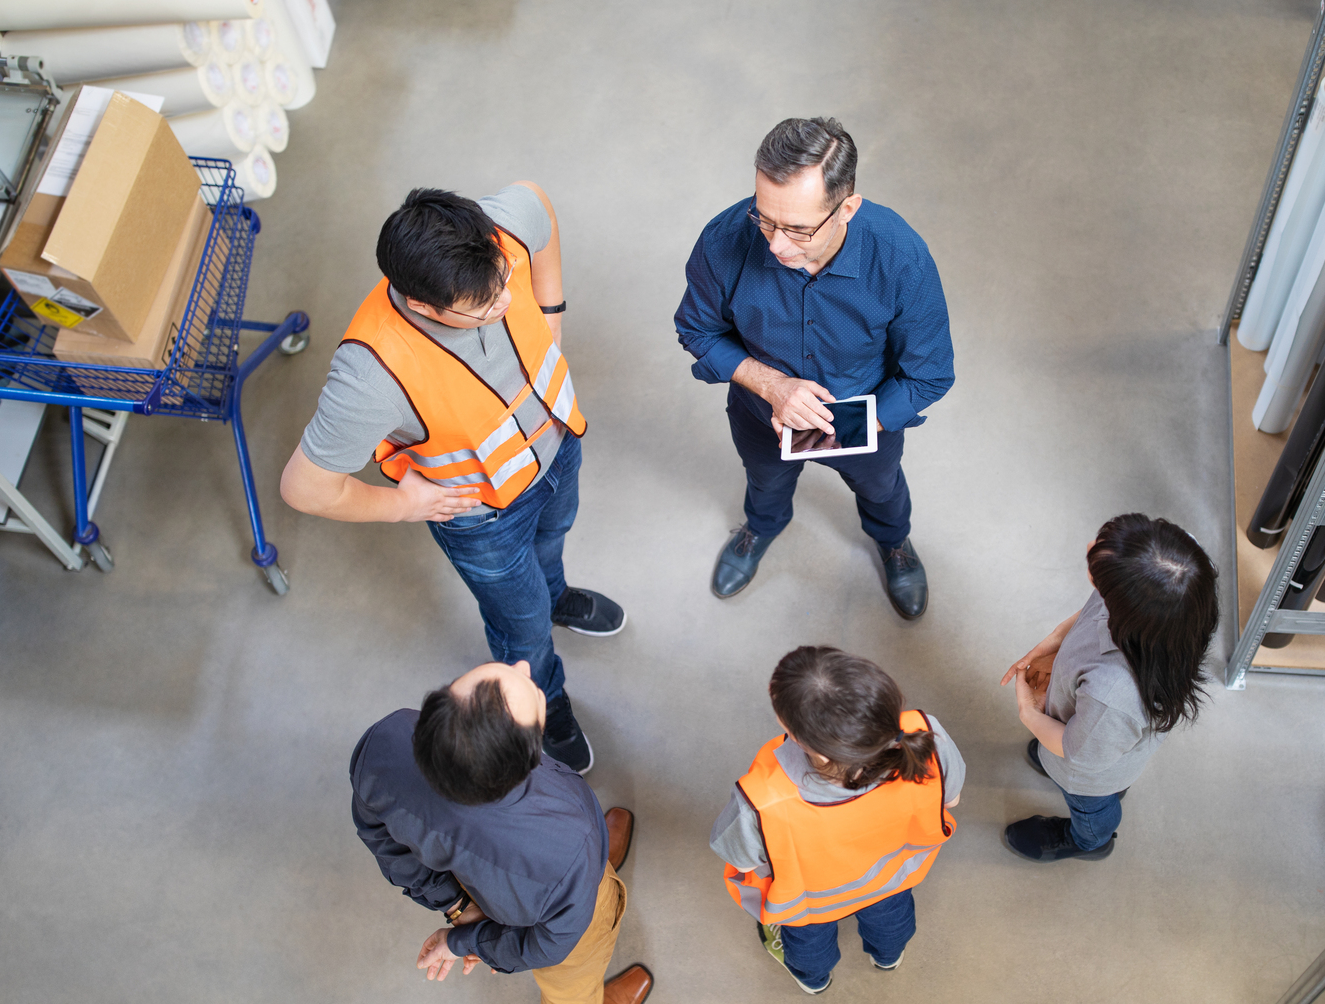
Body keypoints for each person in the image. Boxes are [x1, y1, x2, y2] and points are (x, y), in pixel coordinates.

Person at [282, 185, 623, 774]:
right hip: (484, 517)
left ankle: (558, 596)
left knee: (554, 539)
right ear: (425, 305)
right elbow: (304, 487)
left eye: (503, 286)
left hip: (557, 446)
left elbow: (539, 205)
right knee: (522, 632)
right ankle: (550, 703)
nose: (501, 302)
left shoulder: (499, 232)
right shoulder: (371, 374)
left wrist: (550, 310)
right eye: (483, 306)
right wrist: (405, 505)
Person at [675, 118, 955, 619]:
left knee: (882, 490)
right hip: (761, 413)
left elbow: (929, 373)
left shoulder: (901, 259)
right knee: (763, 482)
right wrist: (773, 387)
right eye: (764, 219)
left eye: (800, 229)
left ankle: (894, 543)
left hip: (868, 421)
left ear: (846, 208)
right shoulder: (724, 240)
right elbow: (697, 330)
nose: (776, 246)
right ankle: (760, 527)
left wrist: (845, 427)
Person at [350, 660, 653, 1004]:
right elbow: (548, 946)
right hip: (565, 880)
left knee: (573, 876)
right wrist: (465, 942)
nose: (522, 665)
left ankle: (579, 883)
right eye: (531, 690)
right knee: (571, 981)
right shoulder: (567, 842)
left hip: (532, 878)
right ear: (527, 761)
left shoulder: (383, 743)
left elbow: (378, 832)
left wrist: (456, 905)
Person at [711, 646, 963, 994]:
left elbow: (739, 857)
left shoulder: (761, 799)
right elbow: (951, 798)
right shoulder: (925, 736)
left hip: (809, 903)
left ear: (799, 737)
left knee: (809, 947)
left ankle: (814, 981)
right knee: (892, 924)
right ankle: (888, 957)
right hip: (891, 878)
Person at [999, 514, 1218, 862]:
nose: (1089, 548)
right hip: (1097, 733)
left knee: (1091, 808)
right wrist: (1056, 642)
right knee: (1057, 749)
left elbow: (1078, 752)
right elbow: (1094, 609)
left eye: (1101, 580)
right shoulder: (1174, 584)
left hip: (1088, 771)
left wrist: (1030, 713)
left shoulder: (1112, 694)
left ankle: (1090, 841)